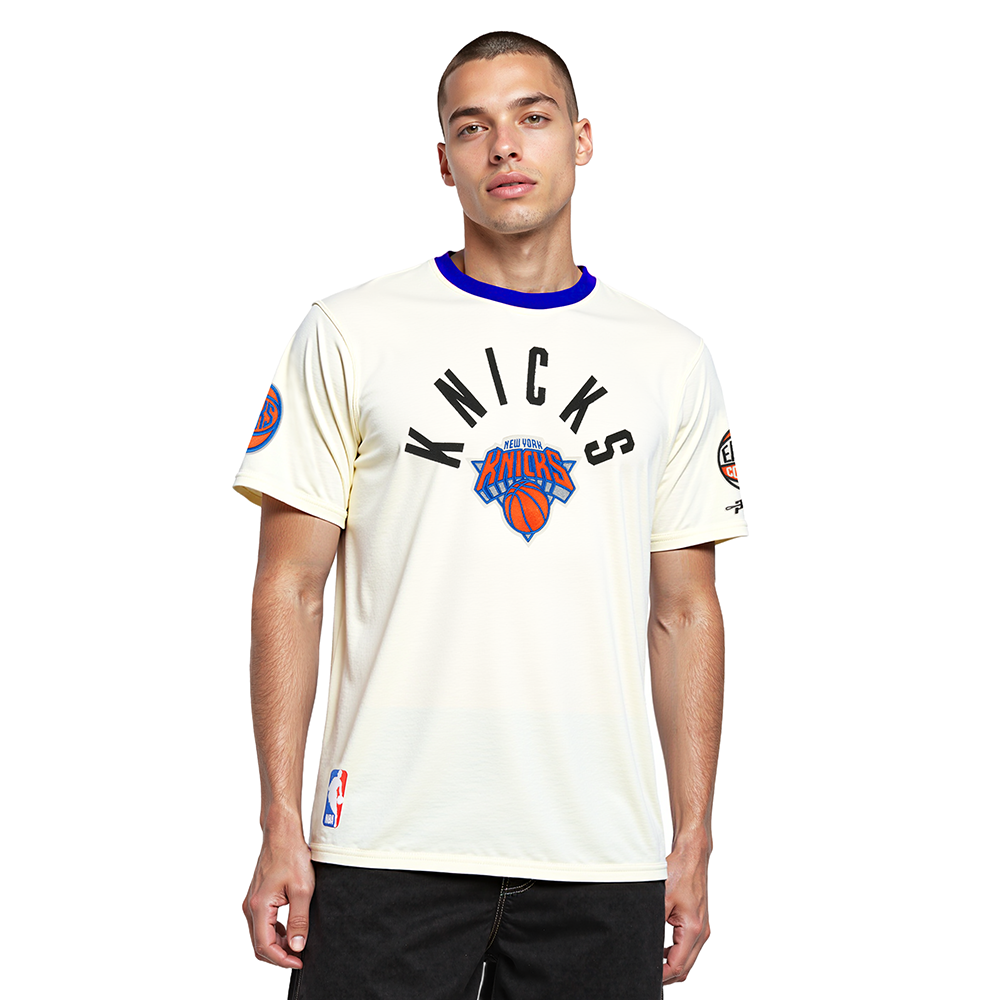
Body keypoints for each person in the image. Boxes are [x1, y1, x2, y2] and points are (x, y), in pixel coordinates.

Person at [234, 30, 747, 1000]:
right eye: (472, 128)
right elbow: (290, 586)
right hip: (383, 841)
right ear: (445, 160)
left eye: (532, 117)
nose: (504, 145)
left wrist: (693, 839)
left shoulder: (669, 359)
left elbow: (686, 611)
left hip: (599, 851)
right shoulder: (351, 332)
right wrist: (278, 822)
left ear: (581, 139)